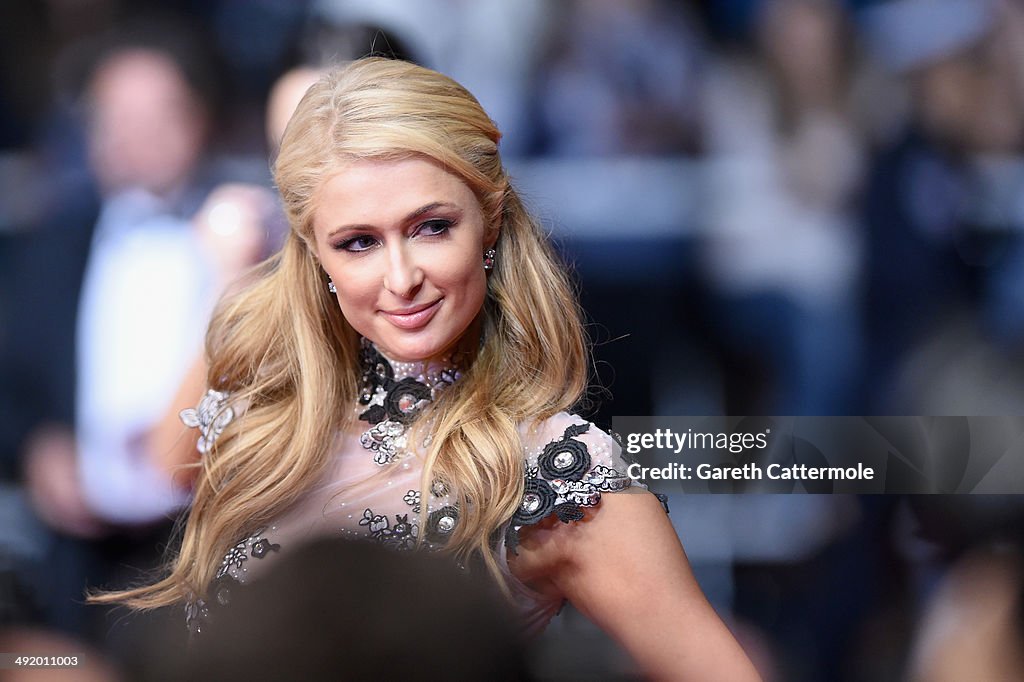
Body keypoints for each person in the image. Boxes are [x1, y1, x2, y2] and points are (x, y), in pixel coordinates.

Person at [94, 58, 760, 681]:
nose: (402, 277)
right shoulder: (262, 424)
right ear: (315, 255)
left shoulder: (558, 470)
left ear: (489, 222)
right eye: (359, 243)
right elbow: (159, 472)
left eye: (432, 227)